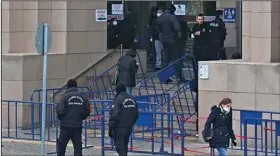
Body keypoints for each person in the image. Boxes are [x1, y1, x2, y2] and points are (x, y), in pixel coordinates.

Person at [56, 79, 91, 156]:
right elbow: (87, 111)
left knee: (62, 146)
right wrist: (80, 118)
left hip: (65, 126)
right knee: (78, 147)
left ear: (68, 87)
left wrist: (62, 119)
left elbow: (60, 111)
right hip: (77, 126)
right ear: (76, 86)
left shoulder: (64, 97)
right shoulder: (83, 97)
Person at [191, 13, 209, 136]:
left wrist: (201, 33)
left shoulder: (206, 27)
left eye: (202, 19)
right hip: (196, 49)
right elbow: (192, 35)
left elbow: (205, 35)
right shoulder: (194, 27)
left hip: (203, 50)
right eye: (199, 19)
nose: (200, 21)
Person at [108, 82, 139, 156]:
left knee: (120, 147)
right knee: (124, 146)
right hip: (128, 127)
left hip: (119, 128)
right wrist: (131, 123)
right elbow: (136, 114)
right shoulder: (132, 99)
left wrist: (110, 127)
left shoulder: (117, 100)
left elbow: (114, 115)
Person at [157, 4, 181, 83]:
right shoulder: (172, 17)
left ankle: (164, 78)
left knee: (166, 60)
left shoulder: (160, 18)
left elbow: (158, 29)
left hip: (164, 40)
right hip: (173, 40)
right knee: (175, 59)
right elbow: (177, 28)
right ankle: (178, 78)